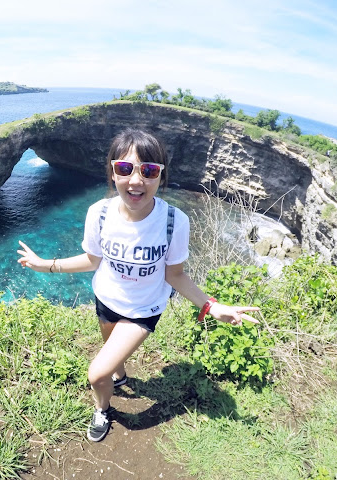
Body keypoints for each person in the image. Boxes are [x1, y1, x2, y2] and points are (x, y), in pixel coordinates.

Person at [17, 129, 260, 443]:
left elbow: (175, 276)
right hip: (105, 298)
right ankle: (120, 375)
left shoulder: (175, 222)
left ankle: (102, 409)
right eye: (124, 168)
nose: (136, 180)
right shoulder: (99, 214)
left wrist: (211, 307)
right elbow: (92, 260)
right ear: (113, 172)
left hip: (144, 310)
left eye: (148, 171)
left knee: (97, 373)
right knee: (114, 363)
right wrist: (46, 265)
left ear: (160, 176)